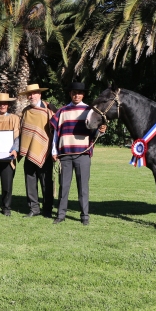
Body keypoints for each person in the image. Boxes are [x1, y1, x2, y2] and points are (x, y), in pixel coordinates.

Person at [51, 82, 97, 225]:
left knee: (83, 186)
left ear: (83, 94)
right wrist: (54, 150)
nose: (76, 95)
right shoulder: (62, 111)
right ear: (70, 94)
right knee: (63, 186)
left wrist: (100, 130)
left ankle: (85, 216)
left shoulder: (90, 111)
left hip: (82, 154)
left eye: (79, 93)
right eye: (74, 92)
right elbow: (56, 133)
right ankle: (60, 215)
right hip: (64, 154)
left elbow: (94, 132)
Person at [18, 84, 58, 218]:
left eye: (34, 93)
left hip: (45, 152)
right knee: (30, 182)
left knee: (46, 182)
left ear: (39, 94)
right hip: (29, 152)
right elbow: (21, 130)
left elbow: (56, 130)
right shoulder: (25, 111)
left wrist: (55, 150)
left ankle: (47, 209)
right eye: (29, 94)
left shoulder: (49, 108)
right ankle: (33, 208)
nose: (31, 96)